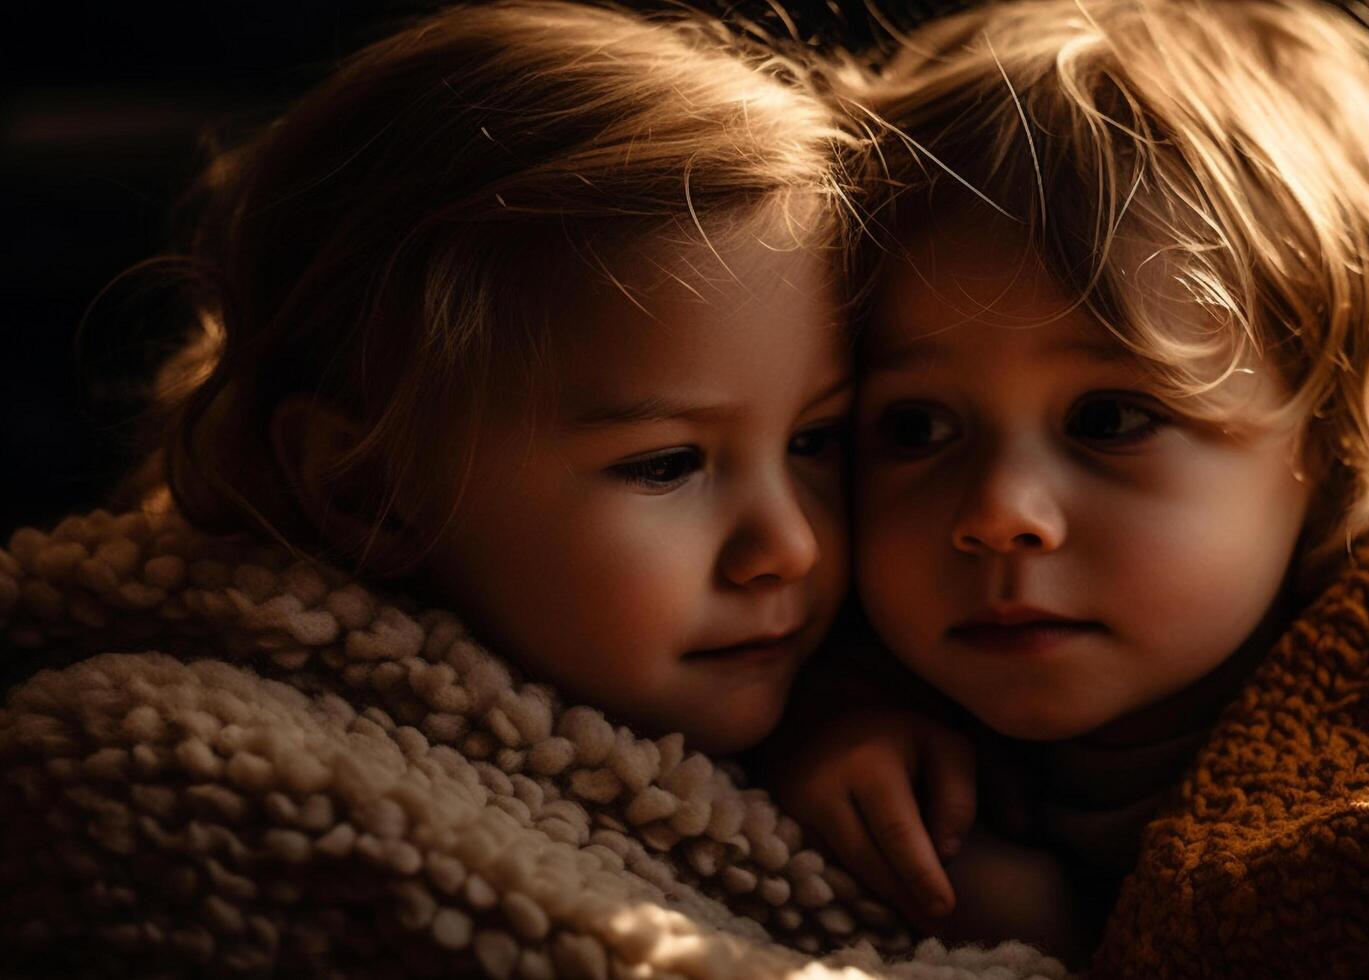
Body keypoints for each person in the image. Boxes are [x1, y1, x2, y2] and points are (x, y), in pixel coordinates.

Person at [769, 0, 1369, 959]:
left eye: (1107, 420)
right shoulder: (833, 677)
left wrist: (1065, 932)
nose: (998, 516)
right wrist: (824, 736)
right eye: (915, 426)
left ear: (1336, 429)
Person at [128, 0, 859, 755]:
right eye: (666, 463)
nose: (789, 547)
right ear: (365, 485)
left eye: (815, 440)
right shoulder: (232, 767)